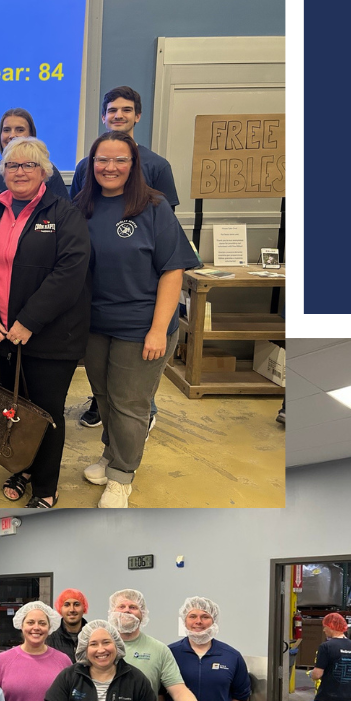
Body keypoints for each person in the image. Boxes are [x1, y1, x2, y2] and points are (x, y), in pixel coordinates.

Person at [75, 131, 200, 507]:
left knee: (131, 403)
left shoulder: (153, 206)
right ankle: (111, 455)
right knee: (104, 399)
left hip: (142, 325)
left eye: (120, 160)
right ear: (91, 165)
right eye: (102, 160)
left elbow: (173, 270)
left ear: (134, 165)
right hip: (96, 324)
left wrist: (158, 330)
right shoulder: (82, 205)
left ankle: (122, 477)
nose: (109, 167)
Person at [0, 136, 91, 508]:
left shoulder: (63, 213)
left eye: (28, 165)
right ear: (1, 171)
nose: (19, 172)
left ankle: (45, 488)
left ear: (44, 172)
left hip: (49, 336)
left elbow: (70, 272)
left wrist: (29, 321)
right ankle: (20, 467)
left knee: (45, 412)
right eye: (12, 165)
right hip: (1, 334)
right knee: (14, 408)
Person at [71, 86, 179, 430]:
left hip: (139, 312)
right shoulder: (84, 168)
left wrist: (158, 328)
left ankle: (136, 430)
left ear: (138, 116)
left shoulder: (157, 171)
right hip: (98, 315)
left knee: (132, 395)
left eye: (127, 109)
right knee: (107, 391)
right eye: (112, 109)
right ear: (103, 116)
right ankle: (114, 439)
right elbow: (79, 217)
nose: (110, 168)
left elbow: (167, 248)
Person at [0, 108, 69, 200]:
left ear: (31, 135)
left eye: (20, 130)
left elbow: (65, 210)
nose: (12, 135)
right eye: (6, 130)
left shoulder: (47, 170)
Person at [46, 588, 89, 661]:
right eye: (67, 605)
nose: (72, 609)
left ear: (84, 607)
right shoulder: (50, 640)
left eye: (76, 604)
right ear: (60, 609)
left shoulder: (93, 636)